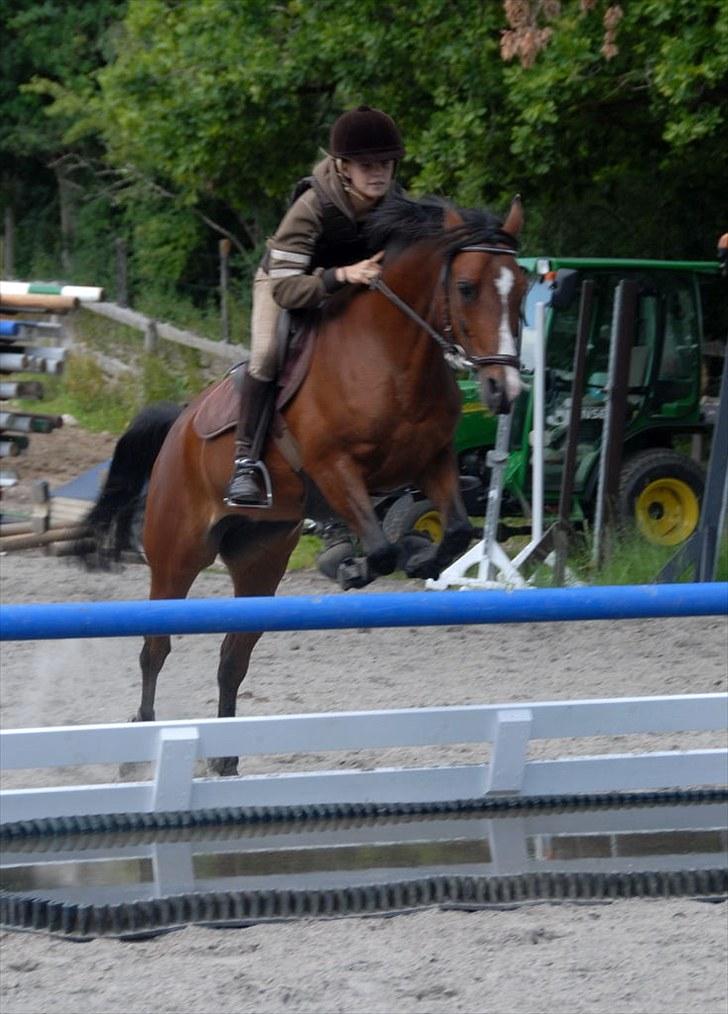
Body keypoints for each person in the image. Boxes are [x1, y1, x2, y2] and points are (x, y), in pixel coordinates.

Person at [225, 104, 405, 507]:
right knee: (267, 354)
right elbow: (286, 289)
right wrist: (339, 276)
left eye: (385, 164)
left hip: (350, 285)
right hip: (284, 282)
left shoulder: (395, 204)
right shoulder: (312, 205)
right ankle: (245, 463)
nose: (378, 173)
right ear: (343, 167)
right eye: (367, 165)